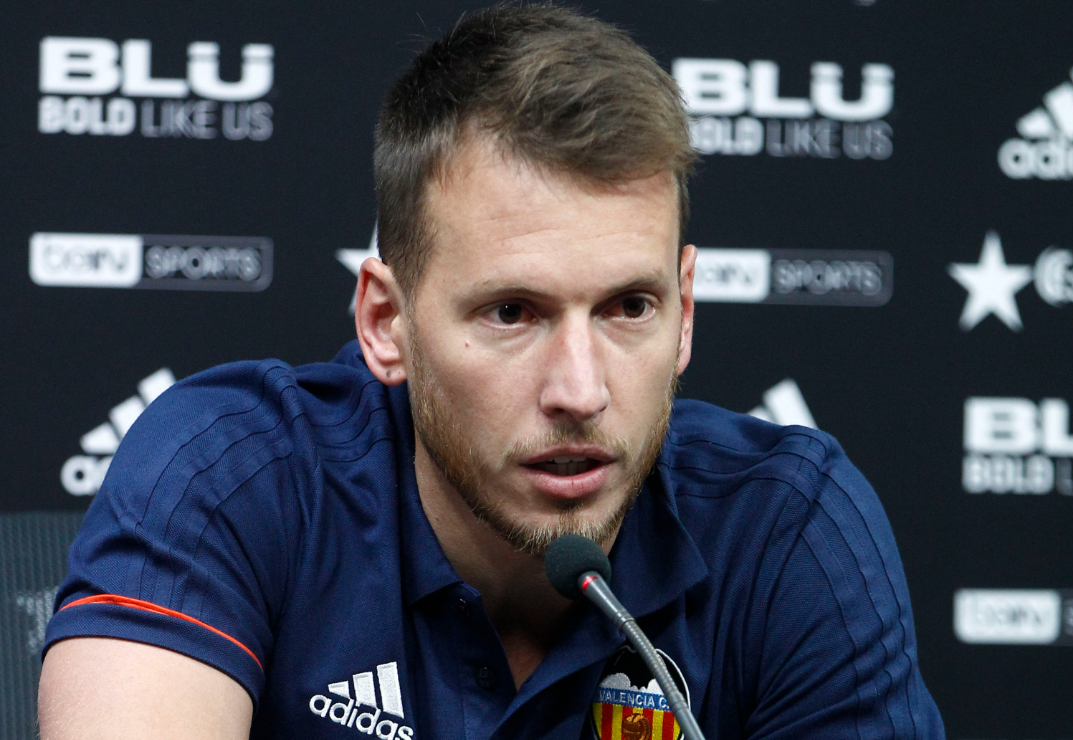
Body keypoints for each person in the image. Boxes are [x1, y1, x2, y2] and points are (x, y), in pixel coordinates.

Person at [39, 5, 944, 738]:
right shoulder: (234, 473)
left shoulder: (783, 526)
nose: (580, 392)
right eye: (512, 313)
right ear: (385, 323)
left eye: (630, 307)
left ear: (685, 312)